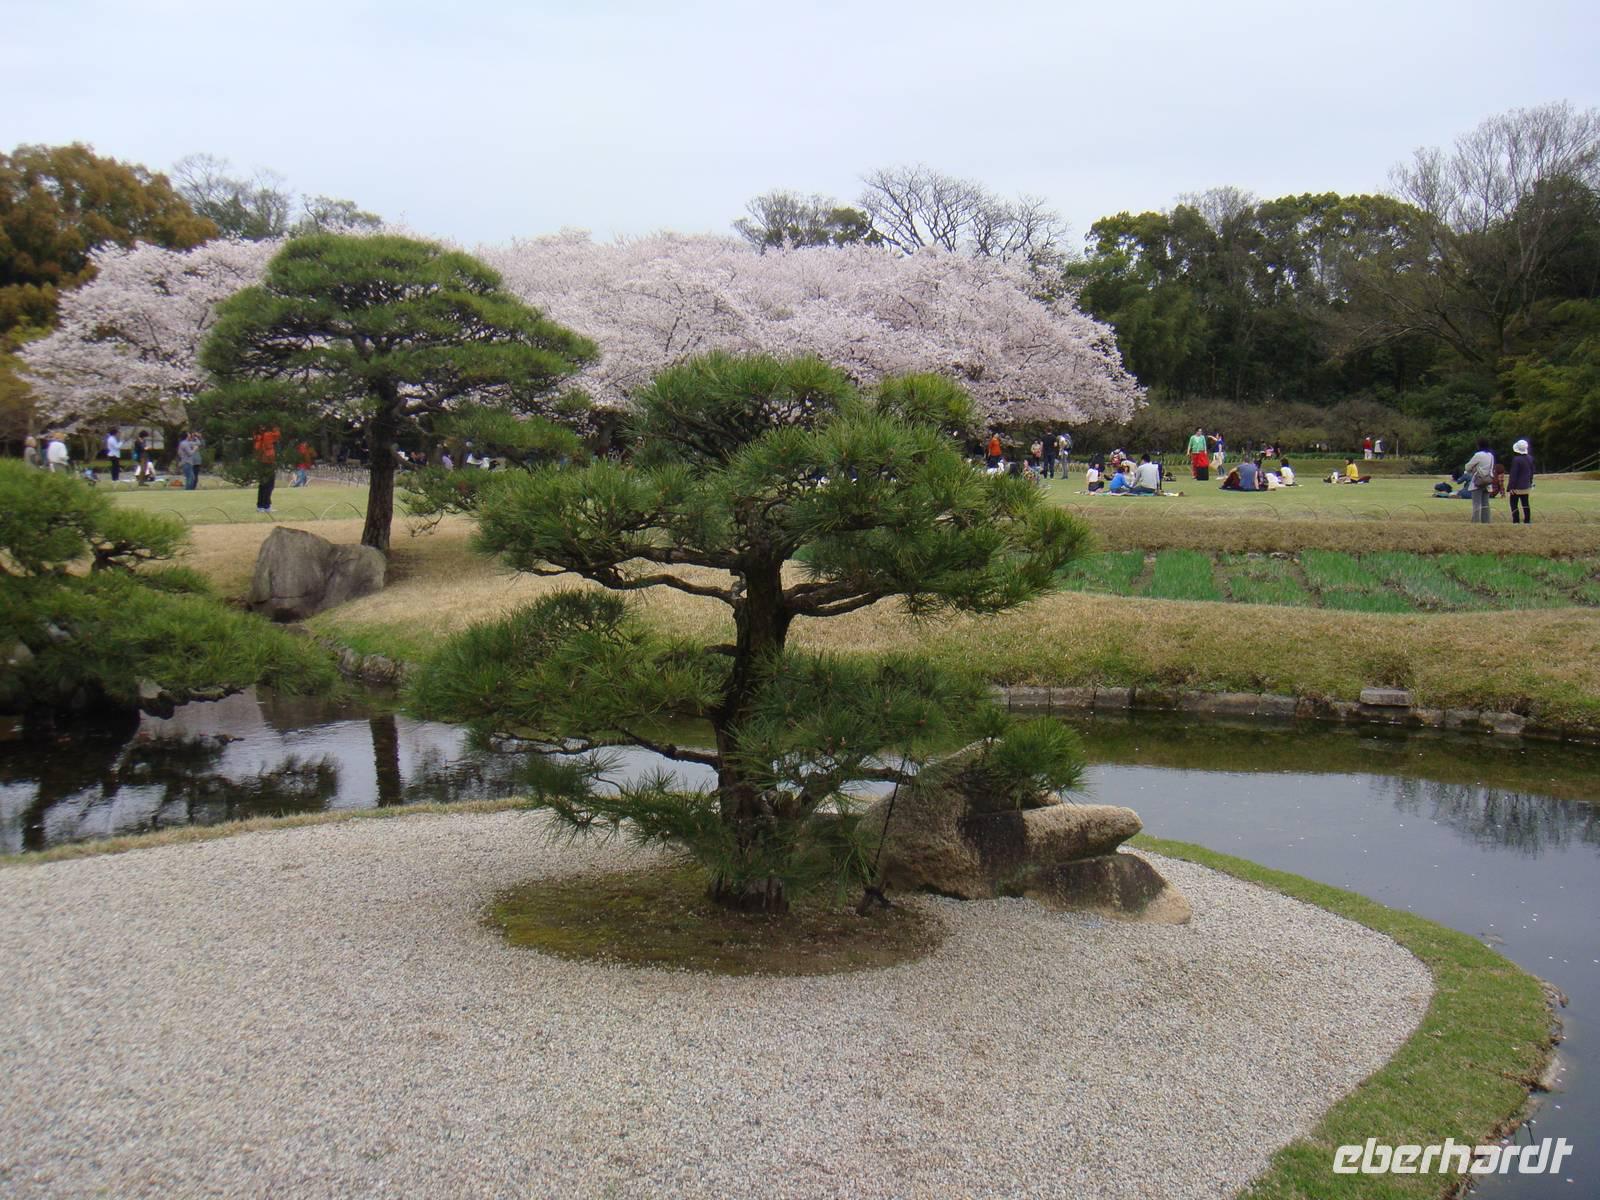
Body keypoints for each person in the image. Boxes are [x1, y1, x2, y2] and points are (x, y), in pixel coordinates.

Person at [1462, 438, 1495, 524]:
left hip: (1478, 481)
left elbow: (1468, 467)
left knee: (1476, 504)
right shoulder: (1491, 455)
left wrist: (1472, 469)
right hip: (1487, 481)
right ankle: (1486, 522)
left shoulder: (1478, 455)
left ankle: (1475, 522)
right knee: (1486, 504)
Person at [253, 424, 281, 513]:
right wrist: (275, 426)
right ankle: (266, 505)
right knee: (269, 485)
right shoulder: (267, 435)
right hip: (268, 462)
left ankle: (261, 505)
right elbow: (277, 435)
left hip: (261, 462)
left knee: (263, 485)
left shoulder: (258, 436)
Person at [1507, 439, 1535, 524]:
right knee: (1525, 503)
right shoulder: (1530, 458)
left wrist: (1510, 487)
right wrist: (1530, 482)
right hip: (1526, 485)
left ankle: (1516, 520)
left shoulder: (1516, 460)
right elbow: (1532, 472)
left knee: (1514, 504)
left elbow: (1513, 474)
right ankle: (1527, 520)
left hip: (1516, 486)